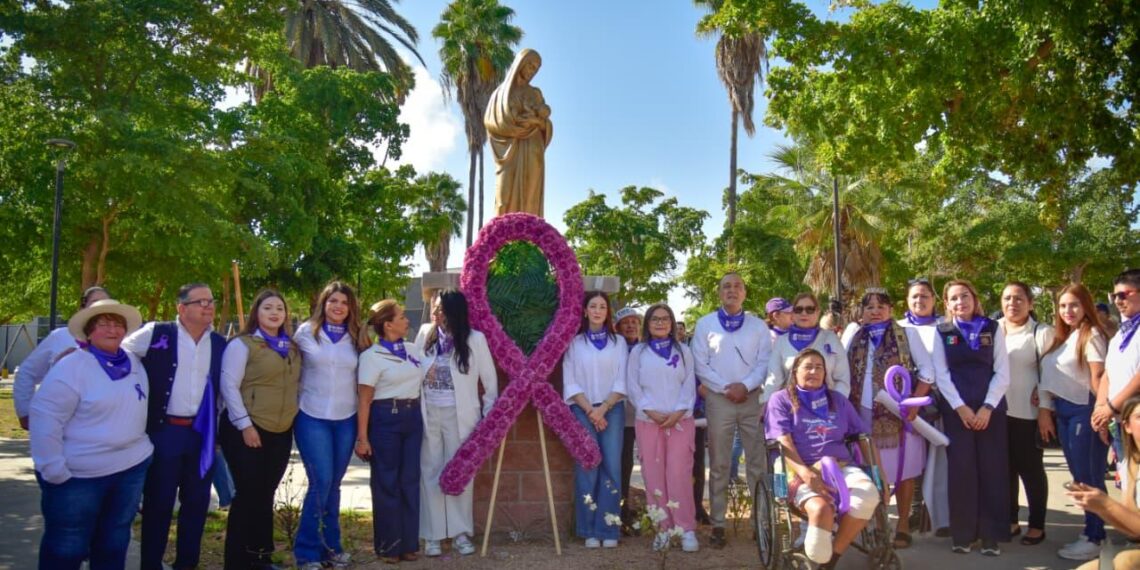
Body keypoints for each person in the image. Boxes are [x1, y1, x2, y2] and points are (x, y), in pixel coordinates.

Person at [30, 299, 152, 569]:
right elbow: (45, 418)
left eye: (118, 324)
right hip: (78, 477)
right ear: (88, 331)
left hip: (129, 471)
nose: (112, 330)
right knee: (66, 547)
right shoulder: (71, 367)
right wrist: (53, 469)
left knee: (114, 542)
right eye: (103, 324)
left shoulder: (134, 361)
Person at [122, 283, 226, 570]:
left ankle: (186, 564)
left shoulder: (219, 343)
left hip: (202, 436)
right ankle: (151, 564)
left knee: (196, 505)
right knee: (159, 504)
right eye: (200, 301)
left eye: (211, 300)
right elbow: (121, 355)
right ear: (182, 308)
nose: (208, 306)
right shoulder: (156, 333)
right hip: (164, 431)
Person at [765, 349, 881, 570]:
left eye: (819, 367)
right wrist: (807, 475)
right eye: (808, 366)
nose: (814, 371)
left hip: (840, 465)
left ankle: (831, 558)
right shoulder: (780, 400)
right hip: (798, 466)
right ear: (795, 371)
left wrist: (880, 476)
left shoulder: (837, 400)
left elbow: (864, 437)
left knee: (868, 495)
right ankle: (819, 556)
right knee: (821, 509)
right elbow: (783, 442)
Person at [842, 289, 935, 549]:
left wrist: (913, 403)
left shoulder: (907, 334)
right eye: (869, 306)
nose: (875, 310)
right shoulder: (854, 335)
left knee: (905, 470)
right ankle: (877, 523)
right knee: (870, 469)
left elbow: (928, 371)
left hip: (899, 413)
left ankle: (903, 523)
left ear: (891, 308)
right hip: (862, 410)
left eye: (881, 305)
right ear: (861, 311)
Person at [219, 289, 301, 569]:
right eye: (268, 308)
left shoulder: (291, 347)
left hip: (280, 431)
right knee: (248, 494)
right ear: (257, 312)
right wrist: (245, 425)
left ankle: (260, 557)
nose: (275, 313)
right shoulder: (242, 345)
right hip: (247, 429)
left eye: (280, 308)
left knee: (266, 493)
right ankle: (237, 561)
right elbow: (229, 386)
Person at [291, 281, 371, 569]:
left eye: (344, 302)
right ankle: (307, 552)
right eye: (333, 301)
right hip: (311, 416)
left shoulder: (357, 337)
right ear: (323, 303)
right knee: (320, 481)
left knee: (334, 485)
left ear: (351, 308)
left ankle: (332, 547)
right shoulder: (305, 333)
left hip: (345, 419)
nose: (338, 306)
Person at [690, 273, 772, 548]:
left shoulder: (758, 326)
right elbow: (700, 365)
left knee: (757, 463)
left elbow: (764, 363)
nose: (732, 290)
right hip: (719, 399)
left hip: (751, 399)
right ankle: (718, 524)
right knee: (720, 464)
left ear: (745, 293)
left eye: (737, 286)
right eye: (727, 286)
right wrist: (726, 388)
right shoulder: (705, 325)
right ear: (719, 293)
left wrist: (745, 386)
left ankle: (760, 521)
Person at [415, 290, 498, 557]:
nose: (435, 313)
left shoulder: (475, 340)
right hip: (429, 415)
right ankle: (433, 534)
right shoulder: (425, 334)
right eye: (434, 308)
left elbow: (490, 383)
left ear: (454, 312)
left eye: (440, 309)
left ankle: (461, 532)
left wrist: (487, 420)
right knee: (430, 472)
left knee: (460, 473)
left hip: (461, 417)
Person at [933, 279, 1011, 556]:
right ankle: (963, 534)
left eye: (964, 296)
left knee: (992, 470)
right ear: (947, 304)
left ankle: (991, 535)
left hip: (990, 411)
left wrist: (987, 407)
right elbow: (940, 374)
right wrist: (961, 408)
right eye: (953, 298)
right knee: (962, 472)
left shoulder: (993, 328)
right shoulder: (942, 331)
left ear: (974, 298)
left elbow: (1002, 371)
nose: (960, 302)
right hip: (958, 413)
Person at [1038, 283, 1109, 561]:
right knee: (1080, 476)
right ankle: (1090, 531)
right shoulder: (1064, 337)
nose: (1068, 311)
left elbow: (1099, 378)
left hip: (1085, 409)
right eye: (1063, 305)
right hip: (1064, 410)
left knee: (1089, 476)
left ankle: (1095, 536)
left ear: (1086, 306)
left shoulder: (1090, 335)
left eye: (1074, 305)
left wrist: (1102, 415)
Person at [357, 299, 427, 563]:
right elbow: (364, 400)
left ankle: (408, 543)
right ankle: (389, 546)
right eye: (401, 316)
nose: (407, 319)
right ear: (388, 325)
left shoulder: (411, 350)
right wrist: (362, 438)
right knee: (387, 482)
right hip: (386, 419)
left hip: (412, 418)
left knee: (409, 480)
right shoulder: (371, 357)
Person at [626, 303, 700, 552]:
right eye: (655, 319)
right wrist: (651, 411)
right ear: (647, 323)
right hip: (649, 422)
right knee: (654, 476)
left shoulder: (684, 351)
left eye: (665, 318)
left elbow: (689, 384)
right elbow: (633, 385)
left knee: (678, 474)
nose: (660, 323)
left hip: (680, 422)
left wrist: (678, 412)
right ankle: (663, 529)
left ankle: (686, 529)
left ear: (672, 322)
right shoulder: (638, 352)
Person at [563, 291, 627, 548]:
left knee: (612, 467)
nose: (598, 310)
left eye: (603, 306)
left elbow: (623, 378)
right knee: (587, 467)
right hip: (583, 409)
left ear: (607, 312)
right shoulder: (574, 343)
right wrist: (591, 410)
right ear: (585, 311)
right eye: (593, 306)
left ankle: (608, 529)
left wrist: (604, 408)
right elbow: (570, 381)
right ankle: (588, 528)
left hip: (613, 408)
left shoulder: (619, 343)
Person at [997, 281, 1054, 547]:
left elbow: (1050, 374)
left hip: (1028, 414)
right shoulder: (993, 330)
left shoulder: (1041, 333)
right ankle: (1010, 520)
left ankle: (1037, 525)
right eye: (1007, 298)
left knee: (1030, 471)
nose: (1013, 303)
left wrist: (1045, 410)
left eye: (1019, 298)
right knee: (1005, 470)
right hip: (997, 413)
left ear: (1030, 303)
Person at [895, 278, 952, 537]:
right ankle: (915, 512)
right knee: (913, 460)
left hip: (943, 401)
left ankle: (942, 515)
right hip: (911, 403)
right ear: (907, 301)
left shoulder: (947, 327)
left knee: (940, 461)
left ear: (934, 299)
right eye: (914, 297)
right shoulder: (899, 328)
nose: (919, 301)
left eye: (925, 296)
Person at [14, 286, 110, 430]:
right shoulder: (60, 336)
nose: (100, 308)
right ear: (82, 309)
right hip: (60, 427)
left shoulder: (120, 340)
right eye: (95, 302)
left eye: (106, 303)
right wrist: (25, 412)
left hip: (103, 426)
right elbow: (26, 373)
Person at [1070, 395, 1140, 570]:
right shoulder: (1130, 463)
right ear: (1127, 426)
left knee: (1124, 562)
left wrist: (1106, 505)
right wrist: (1099, 507)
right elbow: (1132, 529)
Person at [484, 48, 553, 217]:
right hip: (510, 150)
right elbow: (491, 121)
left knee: (531, 193)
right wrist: (516, 127)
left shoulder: (535, 94)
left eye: (535, 69)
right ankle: (499, 237)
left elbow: (546, 122)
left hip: (533, 148)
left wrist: (537, 122)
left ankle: (529, 236)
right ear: (520, 63)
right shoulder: (501, 94)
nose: (532, 71)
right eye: (530, 66)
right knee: (504, 197)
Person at [1093, 269, 1140, 481]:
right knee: (1129, 484)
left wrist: (1110, 408)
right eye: (1114, 296)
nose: (1117, 301)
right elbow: (1107, 375)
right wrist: (1100, 410)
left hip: (1136, 419)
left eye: (1123, 295)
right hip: (1120, 423)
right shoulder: (1120, 334)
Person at [764, 292, 851, 399]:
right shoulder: (781, 342)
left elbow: (842, 379)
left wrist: (836, 405)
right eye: (798, 309)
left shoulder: (831, 339)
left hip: (826, 407)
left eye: (809, 309)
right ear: (792, 314)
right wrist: (767, 404)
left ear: (818, 312)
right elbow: (774, 380)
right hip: (791, 407)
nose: (804, 313)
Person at [614, 306, 643, 529]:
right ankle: (621, 509)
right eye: (626, 322)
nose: (631, 325)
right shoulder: (615, 348)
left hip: (642, 414)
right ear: (617, 327)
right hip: (620, 416)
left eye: (635, 322)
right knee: (623, 462)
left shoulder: (644, 349)